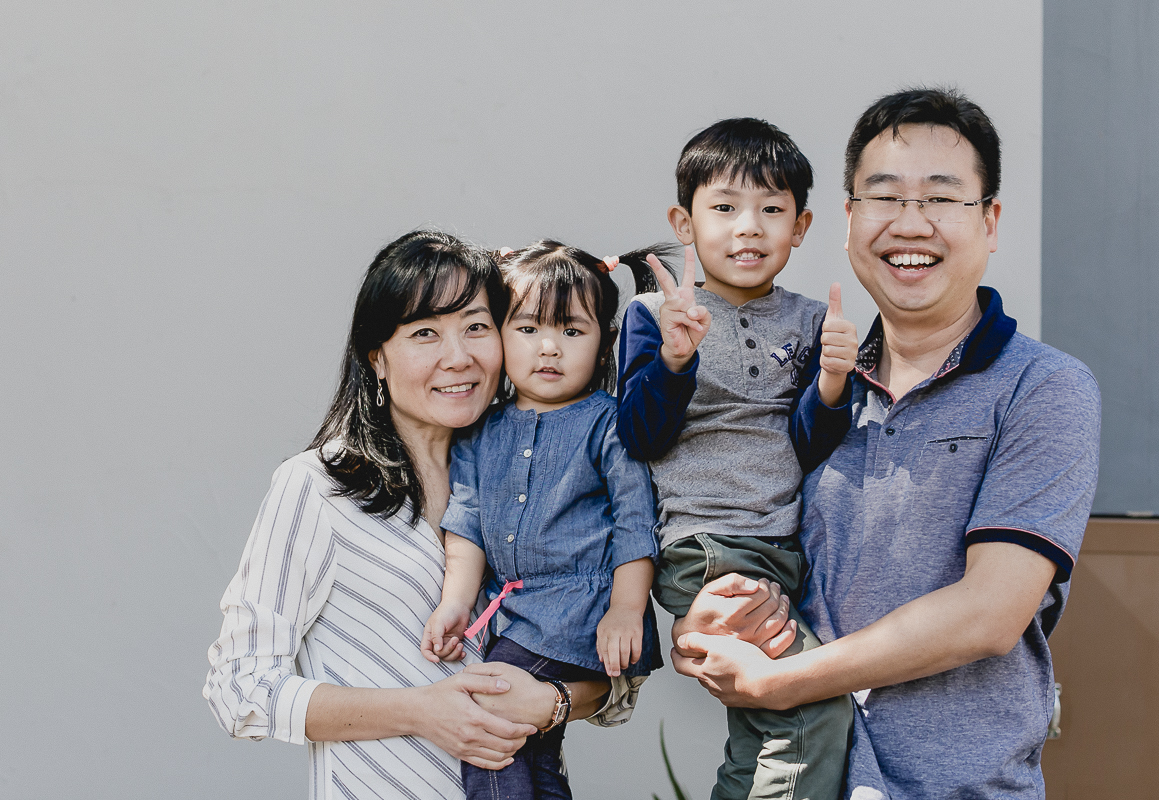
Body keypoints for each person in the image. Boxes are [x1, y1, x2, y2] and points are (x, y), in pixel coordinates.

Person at [671, 88, 1102, 800]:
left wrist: (783, 679)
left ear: (990, 221)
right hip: (795, 782)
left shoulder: (1043, 388)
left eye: (941, 199)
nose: (911, 224)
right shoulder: (805, 381)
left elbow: (989, 613)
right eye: (884, 197)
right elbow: (737, 528)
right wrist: (708, 614)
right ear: (847, 221)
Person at [203, 230, 633, 800]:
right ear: (376, 356)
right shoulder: (318, 488)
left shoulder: (533, 477)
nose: (458, 357)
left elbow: (612, 679)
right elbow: (240, 688)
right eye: (425, 332)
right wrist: (418, 711)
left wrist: (552, 702)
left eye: (476, 327)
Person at [617, 118, 860, 800]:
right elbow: (639, 436)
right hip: (710, 548)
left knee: (768, 728)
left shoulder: (813, 320)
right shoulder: (653, 313)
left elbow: (811, 446)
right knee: (812, 706)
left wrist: (833, 386)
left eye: (771, 210)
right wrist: (673, 360)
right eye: (724, 207)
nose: (747, 228)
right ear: (685, 221)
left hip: (783, 548)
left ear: (801, 227)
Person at [421, 240, 669, 800]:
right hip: (514, 610)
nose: (550, 348)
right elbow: (468, 522)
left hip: (578, 610)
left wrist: (626, 611)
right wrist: (456, 603)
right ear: (500, 336)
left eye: (573, 331)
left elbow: (635, 520)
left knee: (486, 710)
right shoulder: (481, 428)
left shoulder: (607, 422)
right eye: (528, 329)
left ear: (603, 339)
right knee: (533, 750)